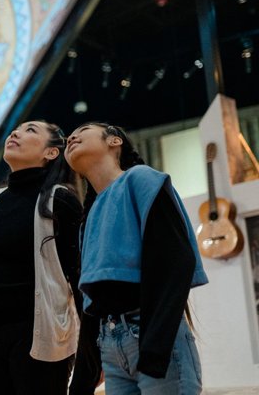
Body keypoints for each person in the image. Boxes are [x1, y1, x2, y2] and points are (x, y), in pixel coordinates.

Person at [0, 121, 96, 394]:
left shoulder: (59, 200)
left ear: (50, 153)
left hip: (42, 336)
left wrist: (91, 347)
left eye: (30, 130)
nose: (15, 133)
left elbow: (78, 276)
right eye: (16, 129)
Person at [64, 122, 209, 394]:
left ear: (114, 141)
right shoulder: (90, 216)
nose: (71, 136)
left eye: (83, 131)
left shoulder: (140, 179)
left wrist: (154, 348)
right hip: (110, 342)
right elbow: (92, 302)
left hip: (152, 337)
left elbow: (176, 260)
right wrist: (83, 378)